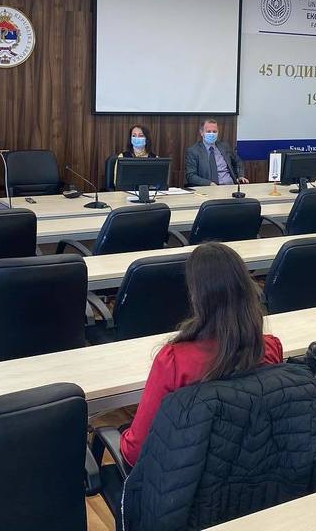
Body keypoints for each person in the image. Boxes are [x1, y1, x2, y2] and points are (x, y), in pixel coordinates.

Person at [119, 242, 283, 466]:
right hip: (252, 469)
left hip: (191, 477)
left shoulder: (174, 362)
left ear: (196, 297)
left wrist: (122, 435)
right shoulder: (269, 349)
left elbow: (136, 452)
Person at [184, 118, 248, 186]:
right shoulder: (193, 151)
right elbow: (190, 176)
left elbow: (238, 161)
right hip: (209, 188)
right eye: (208, 131)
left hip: (230, 186)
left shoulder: (225, 147)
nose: (212, 134)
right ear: (201, 132)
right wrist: (209, 183)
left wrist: (240, 176)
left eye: (214, 131)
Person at [110, 124, 158, 189]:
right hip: (126, 193)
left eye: (140, 135)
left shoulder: (155, 158)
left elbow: (158, 183)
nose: (137, 138)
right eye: (134, 135)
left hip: (149, 193)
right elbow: (117, 182)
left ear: (147, 139)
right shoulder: (122, 157)